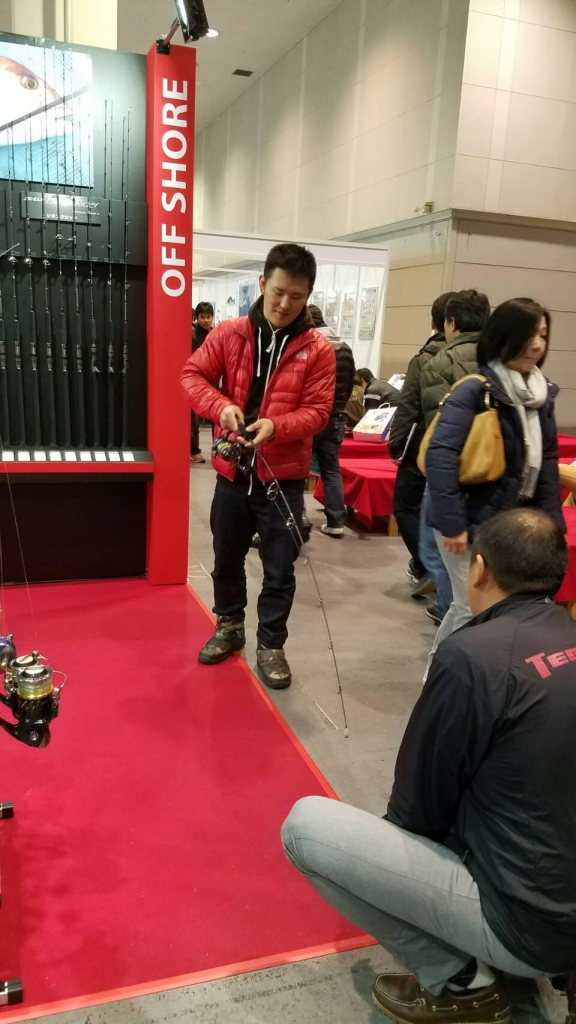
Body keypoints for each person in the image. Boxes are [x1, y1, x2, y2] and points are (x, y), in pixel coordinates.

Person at [282, 509, 576, 1024]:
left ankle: (463, 983)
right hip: (556, 902)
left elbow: (418, 806)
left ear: (478, 571)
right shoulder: (565, 633)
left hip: (533, 933)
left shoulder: (472, 657)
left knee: (305, 829)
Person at [180, 243, 335, 690]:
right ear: (263, 283)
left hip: (283, 479)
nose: (285, 304)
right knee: (226, 557)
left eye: (297, 297)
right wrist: (220, 406)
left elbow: (319, 412)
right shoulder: (230, 333)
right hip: (233, 474)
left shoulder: (318, 350)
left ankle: (271, 644)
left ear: (308, 296)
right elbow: (192, 376)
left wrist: (276, 426)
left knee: (280, 568)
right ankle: (229, 625)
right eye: (279, 292)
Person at [425, 297, 564, 663]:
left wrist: (552, 522)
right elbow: (440, 456)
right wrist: (453, 523)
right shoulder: (475, 390)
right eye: (529, 335)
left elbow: (548, 461)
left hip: (507, 523)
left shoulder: (541, 396)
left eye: (543, 335)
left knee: (478, 607)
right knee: (471, 607)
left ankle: (453, 668)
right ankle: (444, 674)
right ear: (504, 336)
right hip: (465, 517)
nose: (537, 345)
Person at [417, 289, 491, 628]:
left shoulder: (440, 361)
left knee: (439, 556)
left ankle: (447, 608)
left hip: (452, 477)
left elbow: (438, 435)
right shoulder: (499, 361)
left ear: (450, 322)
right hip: (491, 477)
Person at [388, 293, 454, 619]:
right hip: (470, 455)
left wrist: (396, 445)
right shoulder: (488, 357)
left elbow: (409, 407)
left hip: (424, 450)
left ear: (435, 322)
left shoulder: (426, 359)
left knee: (407, 508)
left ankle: (430, 568)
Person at [308, 304, 355, 538]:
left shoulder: (311, 345)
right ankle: (336, 521)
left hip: (313, 417)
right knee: (331, 470)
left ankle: (297, 519)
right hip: (337, 416)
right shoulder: (345, 348)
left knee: (298, 470)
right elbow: (350, 383)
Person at [190, 302, 215, 464]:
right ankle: (194, 450)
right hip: (196, 380)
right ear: (196, 318)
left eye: (208, 317)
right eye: (202, 317)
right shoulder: (191, 336)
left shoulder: (216, 333)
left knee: (217, 417)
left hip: (213, 379)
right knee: (193, 420)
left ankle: (218, 448)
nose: (206, 320)